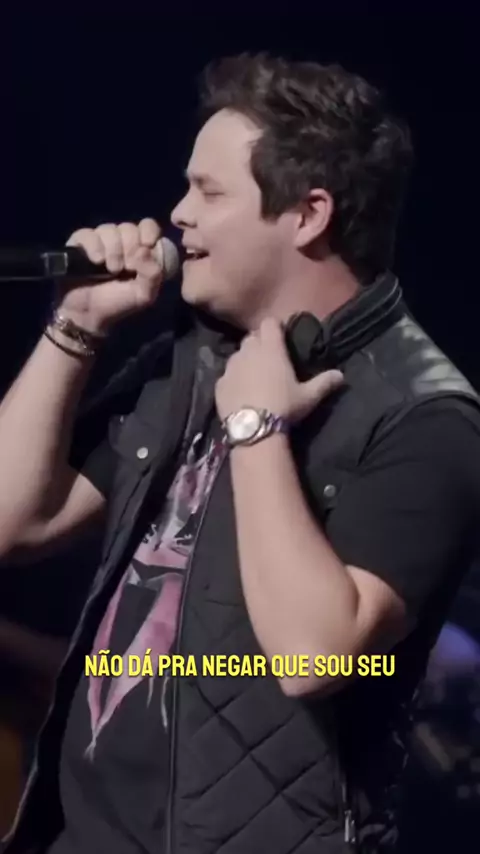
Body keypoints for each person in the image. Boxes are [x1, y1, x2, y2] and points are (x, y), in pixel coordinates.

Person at [0, 51, 479, 854]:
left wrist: (257, 431)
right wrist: (75, 327)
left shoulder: (428, 418)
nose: (176, 215)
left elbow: (315, 657)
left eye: (209, 192)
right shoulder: (190, 363)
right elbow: (12, 522)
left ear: (309, 213)